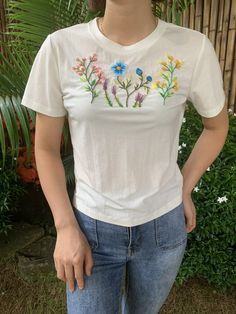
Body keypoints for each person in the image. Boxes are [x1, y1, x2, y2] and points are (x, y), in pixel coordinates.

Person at [21, 0, 229, 313]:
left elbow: (216, 126)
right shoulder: (61, 47)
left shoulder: (192, 48)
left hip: (163, 228)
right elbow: (46, 147)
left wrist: (183, 187)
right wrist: (65, 227)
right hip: (91, 229)